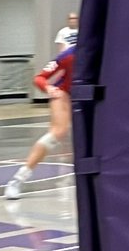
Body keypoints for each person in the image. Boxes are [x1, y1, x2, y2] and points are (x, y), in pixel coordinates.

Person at [5, 46, 76, 201]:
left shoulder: (105, 53)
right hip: (64, 92)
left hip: (90, 95)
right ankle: (18, 179)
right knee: (58, 132)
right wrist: (48, 88)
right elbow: (40, 78)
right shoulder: (69, 55)